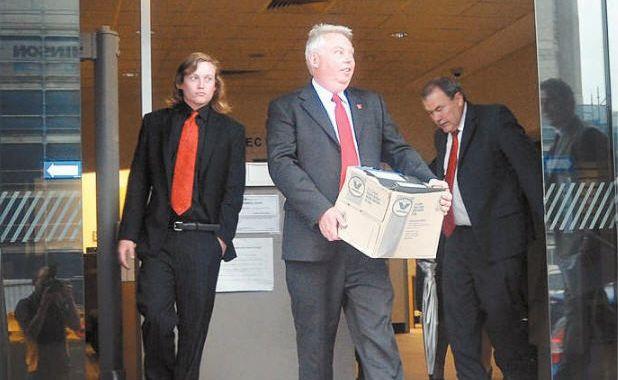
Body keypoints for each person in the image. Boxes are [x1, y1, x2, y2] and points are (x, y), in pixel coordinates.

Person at [266, 24, 451, 380]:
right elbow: (282, 164)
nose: (349, 61)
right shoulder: (287, 107)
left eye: (351, 54)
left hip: (366, 246)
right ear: (313, 59)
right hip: (313, 249)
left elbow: (396, 149)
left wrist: (430, 182)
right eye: (339, 53)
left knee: (378, 342)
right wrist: (321, 210)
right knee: (316, 350)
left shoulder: (371, 104)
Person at [117, 52, 245, 380]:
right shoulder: (155, 124)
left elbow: (233, 191)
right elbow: (140, 180)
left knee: (193, 329)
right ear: (180, 82)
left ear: (216, 86)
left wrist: (221, 238)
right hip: (160, 238)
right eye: (194, 77)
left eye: (209, 79)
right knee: (157, 319)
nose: (202, 85)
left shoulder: (231, 132)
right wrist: (128, 234)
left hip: (203, 240)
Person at [421, 77, 544, 379]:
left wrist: (548, 229)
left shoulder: (494, 119)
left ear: (459, 98)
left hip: (497, 242)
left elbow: (530, 172)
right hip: (458, 242)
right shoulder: (442, 139)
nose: (437, 117)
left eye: (441, 108)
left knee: (505, 330)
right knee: (461, 329)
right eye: (430, 113)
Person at [541, 78, 616, 379]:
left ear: (568, 102)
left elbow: (595, 196)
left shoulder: (587, 138)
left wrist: (587, 244)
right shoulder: (560, 139)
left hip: (586, 245)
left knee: (579, 311)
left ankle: (566, 374)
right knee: (593, 310)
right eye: (542, 102)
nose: (544, 108)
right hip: (569, 244)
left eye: (550, 101)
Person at [15, 266, 81, 380]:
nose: (48, 283)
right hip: (37, 367)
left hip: (60, 365)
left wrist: (69, 299)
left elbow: (76, 325)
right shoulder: (25, 305)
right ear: (34, 282)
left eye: (51, 280)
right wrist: (44, 305)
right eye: (44, 279)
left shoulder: (58, 303)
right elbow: (31, 334)